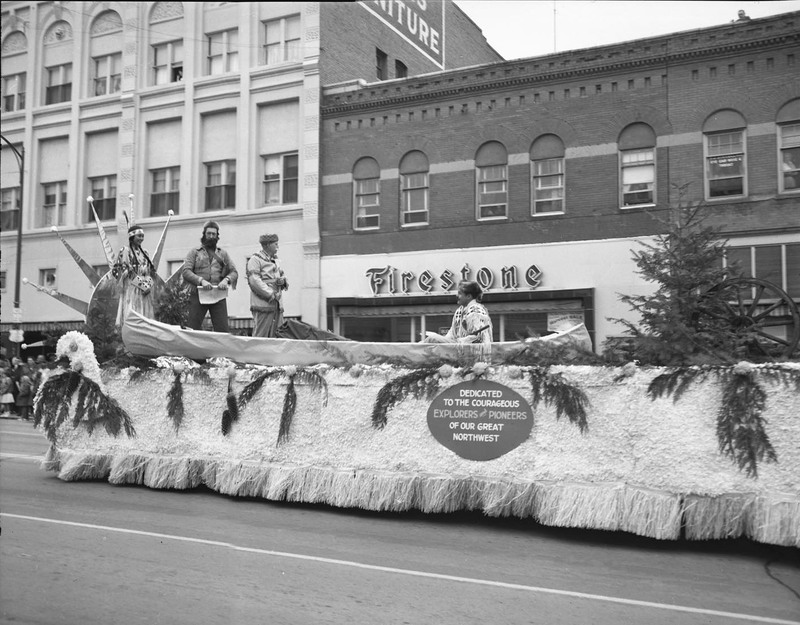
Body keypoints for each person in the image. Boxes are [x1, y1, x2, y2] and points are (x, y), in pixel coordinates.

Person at [181, 221, 239, 332]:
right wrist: (201, 281)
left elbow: (234, 272)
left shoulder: (223, 254)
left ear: (217, 236)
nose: (211, 236)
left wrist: (226, 280)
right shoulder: (194, 252)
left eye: (214, 234)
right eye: (209, 234)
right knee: (192, 329)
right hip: (198, 294)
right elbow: (186, 271)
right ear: (204, 235)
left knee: (222, 330)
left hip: (218, 294)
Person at [112, 223, 156, 327]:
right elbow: (125, 271)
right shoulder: (125, 251)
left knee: (144, 319)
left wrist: (148, 285)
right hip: (132, 290)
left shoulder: (145, 252)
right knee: (133, 318)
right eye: (139, 236)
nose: (141, 238)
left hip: (144, 292)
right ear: (132, 237)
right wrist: (143, 286)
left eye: (142, 236)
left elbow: (151, 271)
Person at [422, 280, 493, 344]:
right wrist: (444, 340)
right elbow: (452, 334)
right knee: (430, 340)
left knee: (432, 339)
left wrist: (458, 341)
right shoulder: (460, 310)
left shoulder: (476, 310)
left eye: (460, 293)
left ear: (468, 296)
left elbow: (479, 338)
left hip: (471, 351)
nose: (457, 295)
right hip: (459, 348)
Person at [247, 233, 288, 338]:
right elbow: (254, 280)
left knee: (277, 334)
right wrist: (271, 294)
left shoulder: (275, 259)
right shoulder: (255, 259)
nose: (277, 247)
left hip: (277, 304)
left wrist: (283, 281)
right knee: (261, 334)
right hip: (263, 304)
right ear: (268, 245)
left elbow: (281, 274)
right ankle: (257, 354)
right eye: (275, 244)